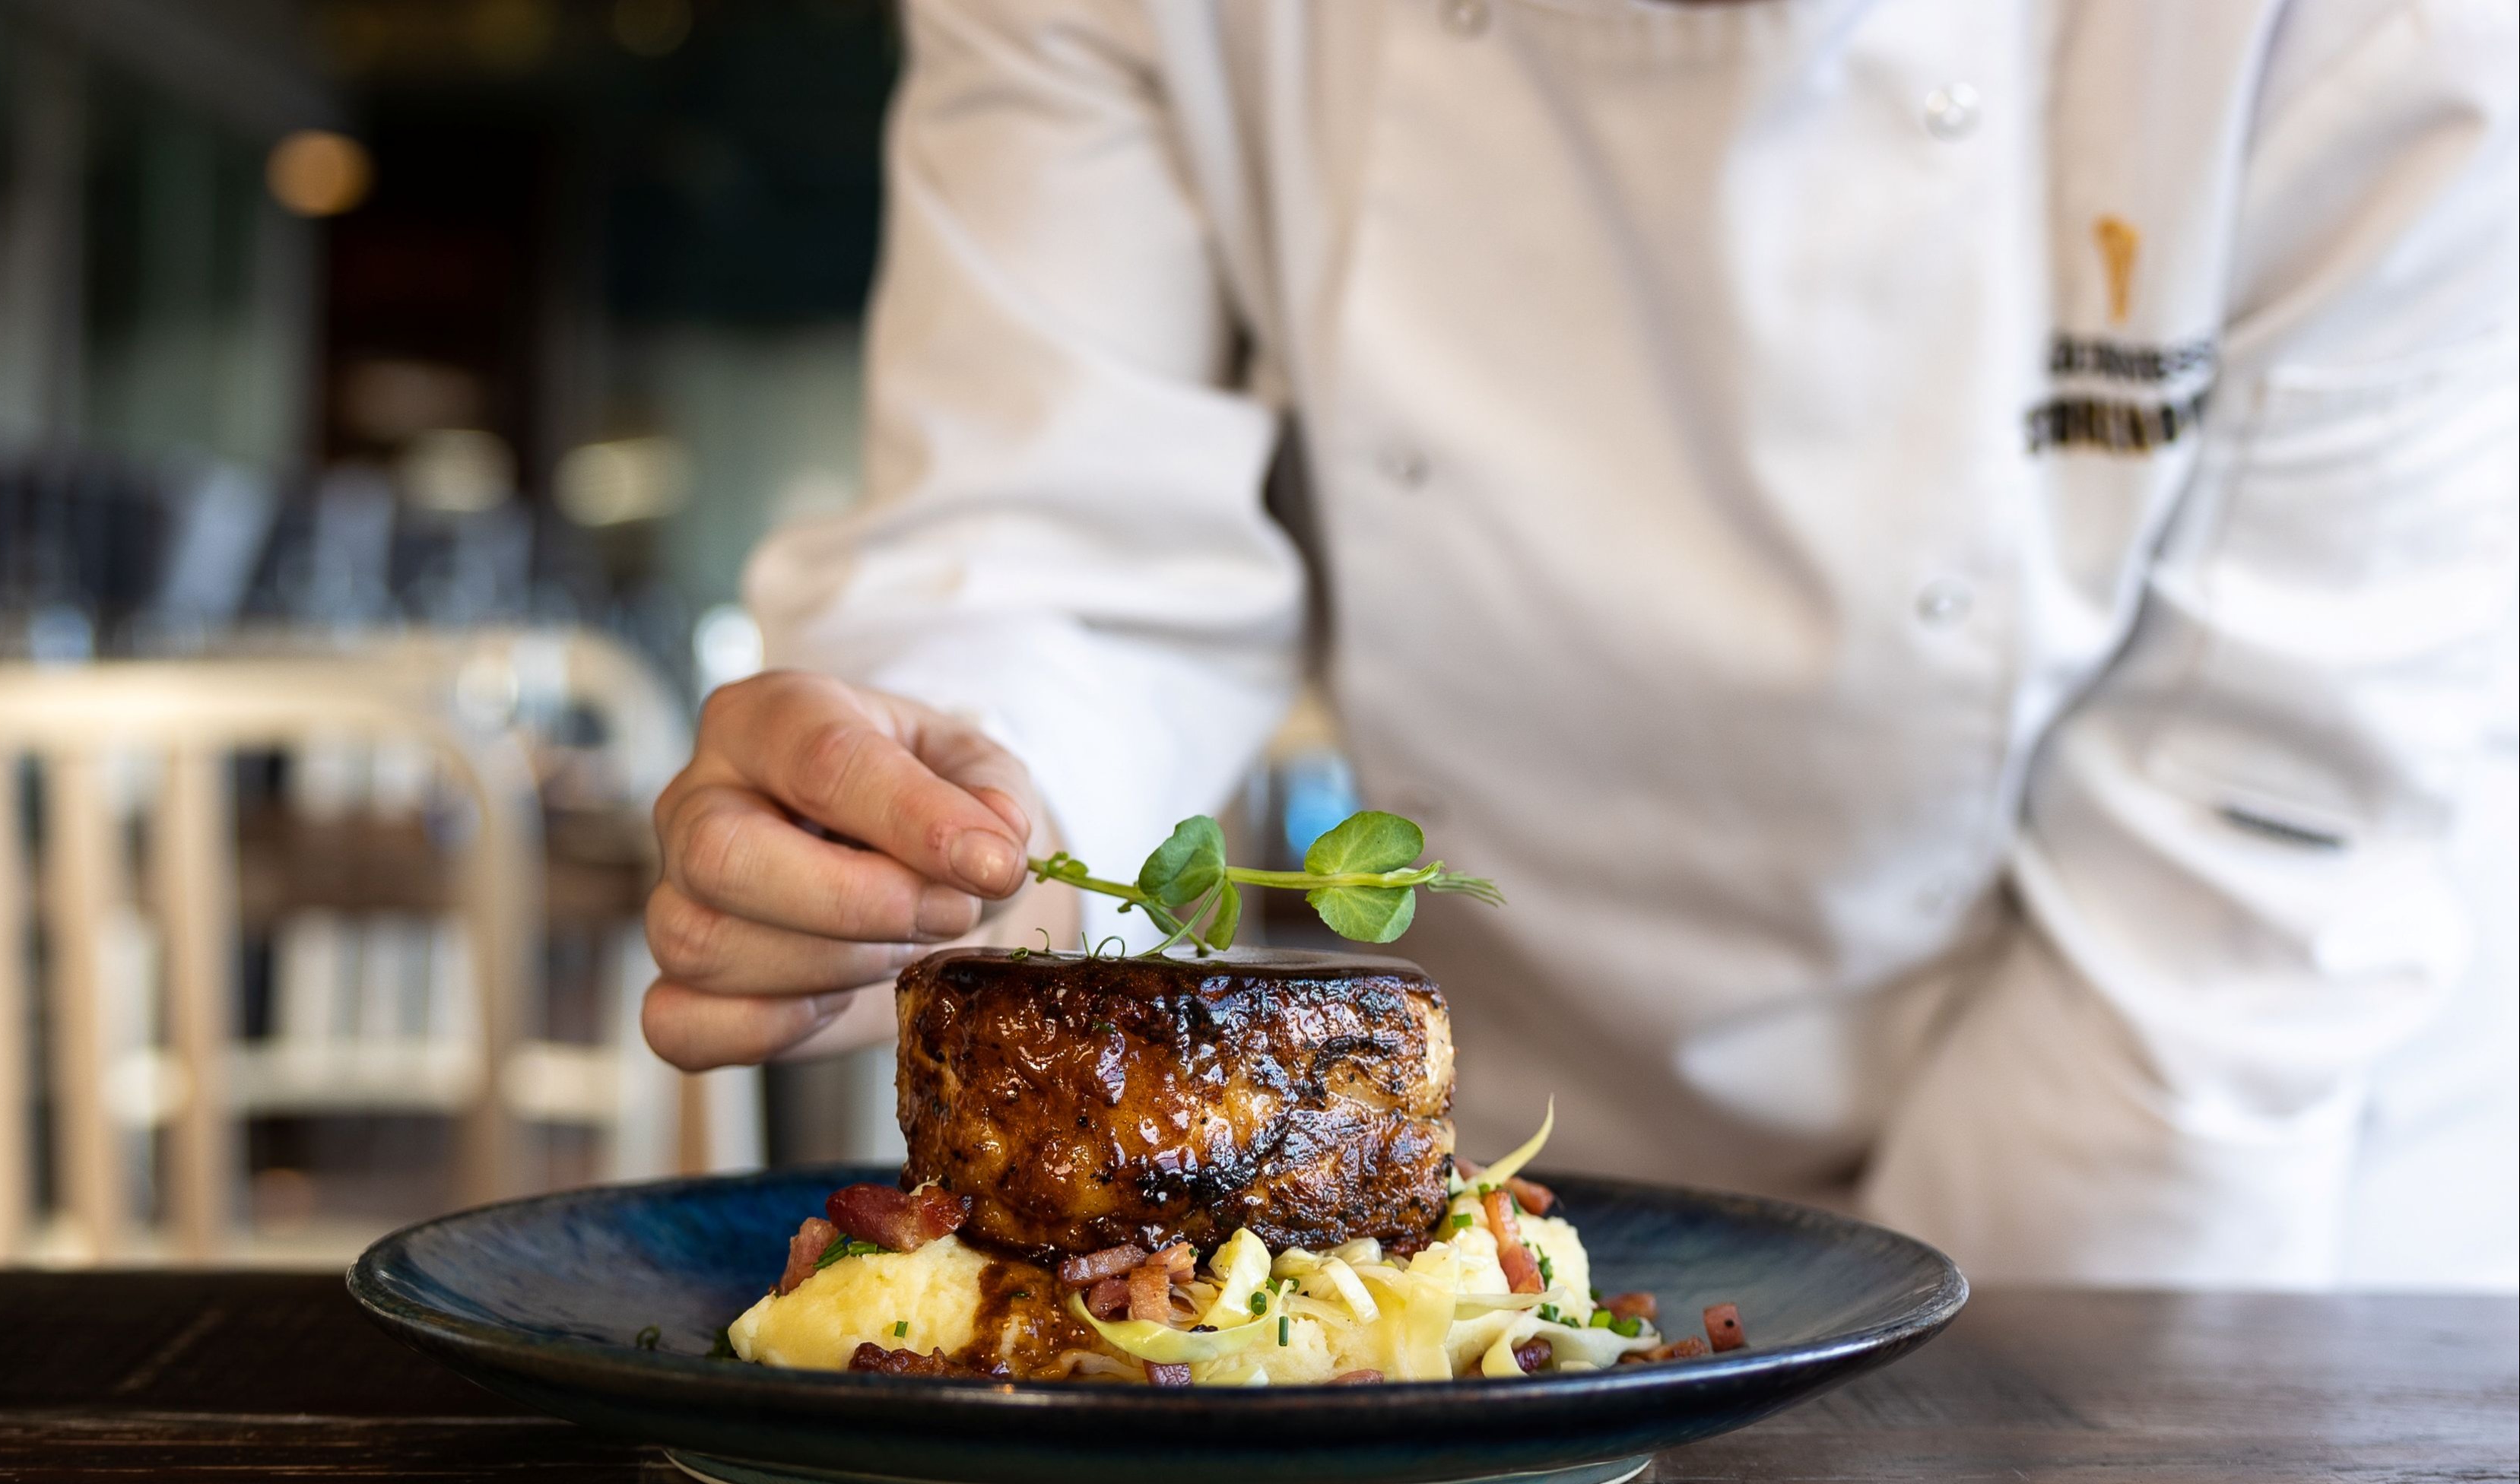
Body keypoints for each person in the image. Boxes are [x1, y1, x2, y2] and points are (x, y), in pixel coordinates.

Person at [643, 0, 2518, 1288]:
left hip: (2205, 1188)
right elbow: (1047, 528)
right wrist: (927, 822)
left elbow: (2256, 821)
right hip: (1514, 1200)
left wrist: (1916, 1413)